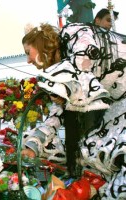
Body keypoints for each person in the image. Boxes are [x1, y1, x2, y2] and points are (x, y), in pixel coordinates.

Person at [21, 22, 126, 199]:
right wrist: (33, 145)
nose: (28, 60)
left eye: (27, 53)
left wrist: (67, 89)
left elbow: (83, 68)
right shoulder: (64, 68)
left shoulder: (74, 34)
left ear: (39, 44)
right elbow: (57, 113)